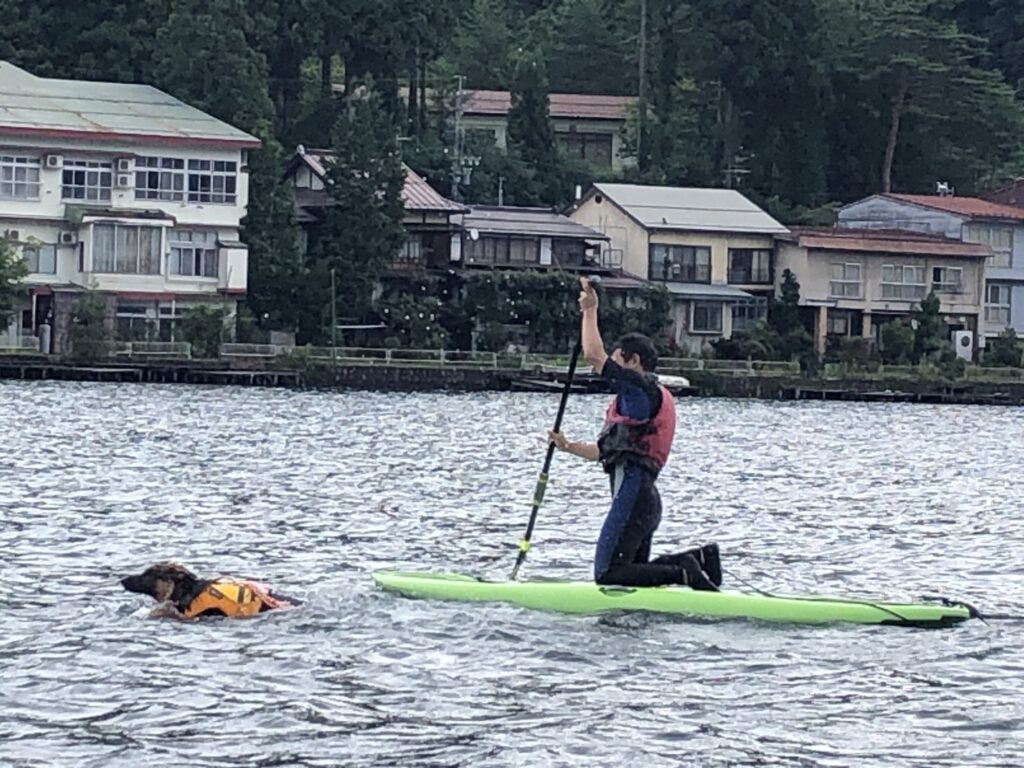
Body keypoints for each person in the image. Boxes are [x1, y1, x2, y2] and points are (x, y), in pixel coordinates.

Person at [547, 277, 721, 590]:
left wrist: (590, 311)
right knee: (632, 578)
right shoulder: (636, 400)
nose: (611, 369)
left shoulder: (640, 389)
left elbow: (593, 356)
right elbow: (604, 451)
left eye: (618, 361)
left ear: (633, 362)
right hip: (645, 500)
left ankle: (683, 569)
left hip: (634, 497)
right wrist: (568, 446)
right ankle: (703, 559)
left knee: (608, 574)